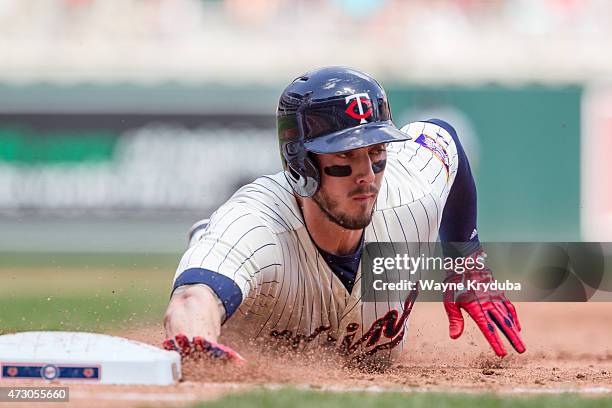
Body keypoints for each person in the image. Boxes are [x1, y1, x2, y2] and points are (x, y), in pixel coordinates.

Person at [162, 66, 525, 366]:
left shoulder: (408, 191)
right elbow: (192, 300)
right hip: (267, 256)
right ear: (303, 165)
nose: (367, 173)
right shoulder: (257, 228)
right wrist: (197, 342)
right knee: (228, 255)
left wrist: (467, 263)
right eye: (345, 157)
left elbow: (444, 139)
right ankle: (211, 243)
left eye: (377, 150)